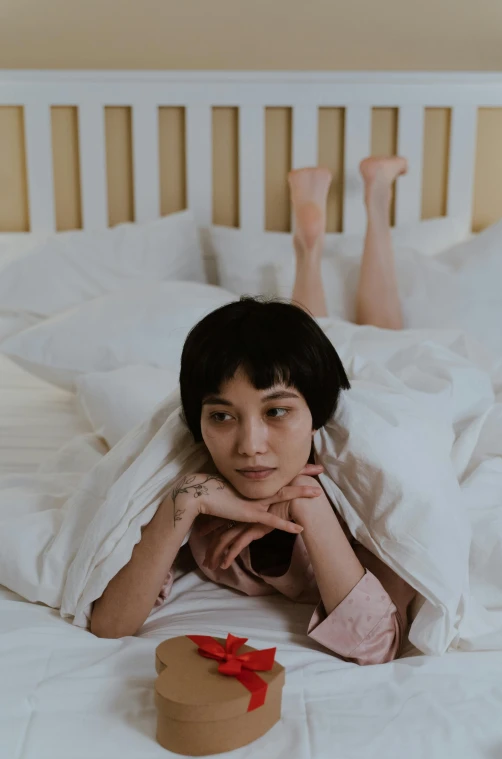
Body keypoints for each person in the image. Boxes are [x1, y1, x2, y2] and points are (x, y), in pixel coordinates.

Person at [91, 278, 417, 664]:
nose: (250, 445)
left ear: (316, 416)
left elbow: (378, 645)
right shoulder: (200, 487)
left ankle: (309, 262)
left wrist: (308, 506)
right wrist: (184, 498)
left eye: (276, 411)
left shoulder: (362, 492)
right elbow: (109, 626)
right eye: (222, 416)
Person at [289, 155, 407, 329]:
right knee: (385, 335)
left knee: (307, 350)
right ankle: (377, 201)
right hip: (380, 351)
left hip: (313, 353)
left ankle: (309, 254)